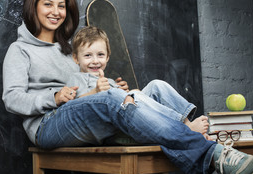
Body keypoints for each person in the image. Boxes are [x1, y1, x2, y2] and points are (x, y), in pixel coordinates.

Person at [2, 0, 253, 174]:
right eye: (48, 4)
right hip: (48, 124)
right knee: (114, 100)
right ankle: (217, 155)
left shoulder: (70, 49)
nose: (56, 12)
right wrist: (55, 97)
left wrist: (113, 90)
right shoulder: (20, 50)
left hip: (84, 113)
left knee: (154, 88)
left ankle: (186, 127)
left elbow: (87, 86)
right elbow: (12, 99)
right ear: (33, 6)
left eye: (61, 6)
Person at [67, 25, 211, 138]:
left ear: (108, 57)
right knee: (136, 93)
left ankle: (187, 123)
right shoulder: (76, 78)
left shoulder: (108, 80)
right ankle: (185, 130)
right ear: (75, 58)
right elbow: (69, 108)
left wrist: (123, 92)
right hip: (110, 126)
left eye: (100, 55)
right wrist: (95, 92)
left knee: (156, 85)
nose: (95, 61)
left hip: (131, 115)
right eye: (87, 55)